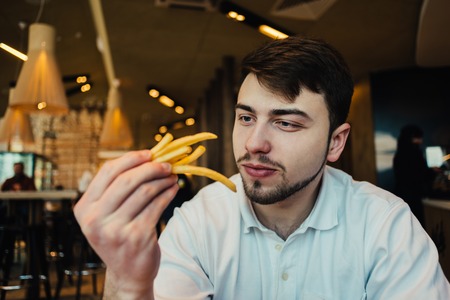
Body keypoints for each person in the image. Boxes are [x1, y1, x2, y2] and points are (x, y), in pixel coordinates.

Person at [73, 36, 450, 299]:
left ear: (336, 142)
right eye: (246, 117)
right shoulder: (197, 223)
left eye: (286, 123)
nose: (254, 143)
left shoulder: (388, 227)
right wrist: (126, 279)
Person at [393, 124, 438, 227]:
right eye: (418, 138)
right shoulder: (415, 153)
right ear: (412, 138)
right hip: (414, 197)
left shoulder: (399, 154)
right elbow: (420, 175)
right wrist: (432, 172)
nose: (420, 141)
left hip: (402, 196)